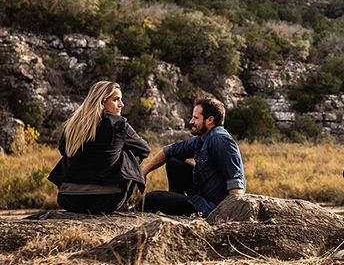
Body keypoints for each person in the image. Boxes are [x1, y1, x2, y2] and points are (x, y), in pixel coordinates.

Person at [48, 81, 150, 214]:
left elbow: (63, 150)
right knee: (130, 153)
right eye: (116, 100)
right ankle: (124, 202)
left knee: (74, 153)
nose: (121, 104)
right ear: (101, 102)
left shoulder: (72, 124)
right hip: (106, 201)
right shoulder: (119, 124)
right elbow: (145, 149)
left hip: (68, 200)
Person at [137, 96, 245, 216]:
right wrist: (144, 172)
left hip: (210, 208)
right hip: (201, 195)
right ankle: (177, 210)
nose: (191, 122)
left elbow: (235, 183)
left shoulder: (220, 140)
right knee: (173, 162)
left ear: (210, 120)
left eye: (195, 118)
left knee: (152, 198)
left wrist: (230, 218)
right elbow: (169, 151)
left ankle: (132, 212)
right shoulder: (201, 139)